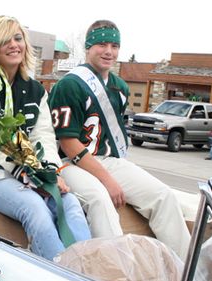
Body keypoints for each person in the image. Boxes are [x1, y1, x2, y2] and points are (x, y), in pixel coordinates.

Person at [0, 15, 91, 260]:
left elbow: (43, 136)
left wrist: (51, 172)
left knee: (70, 202)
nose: (14, 45)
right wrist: (24, 171)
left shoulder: (35, 89)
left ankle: (90, 272)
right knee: (35, 208)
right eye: (4, 40)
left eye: (18, 38)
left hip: (27, 168)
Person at [48, 19, 189, 259]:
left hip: (109, 160)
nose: (108, 52)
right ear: (88, 47)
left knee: (164, 197)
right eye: (102, 44)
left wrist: (113, 174)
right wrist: (108, 181)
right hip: (70, 163)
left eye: (114, 46)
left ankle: (188, 273)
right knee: (100, 200)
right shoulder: (69, 85)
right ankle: (119, 272)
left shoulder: (120, 87)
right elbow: (68, 144)